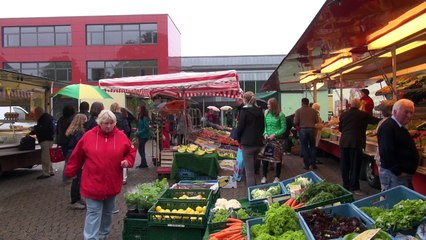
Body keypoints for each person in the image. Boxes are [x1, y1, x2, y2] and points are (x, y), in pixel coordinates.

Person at [64, 110, 136, 240]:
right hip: (93, 182)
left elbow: (130, 152)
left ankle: (103, 234)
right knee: (93, 212)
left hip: (112, 182)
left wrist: (128, 161)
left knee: (108, 212)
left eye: (111, 123)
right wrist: (70, 172)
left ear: (115, 123)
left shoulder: (121, 137)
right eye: (105, 123)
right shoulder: (88, 136)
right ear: (99, 123)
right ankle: (91, 237)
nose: (108, 126)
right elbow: (77, 156)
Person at [339, 98, 380, 195]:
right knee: (355, 166)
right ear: (359, 105)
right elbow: (375, 121)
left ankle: (346, 185)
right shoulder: (363, 114)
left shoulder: (344, 114)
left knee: (345, 165)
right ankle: (354, 187)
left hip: (344, 142)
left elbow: (340, 128)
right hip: (356, 143)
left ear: (350, 105)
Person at [377, 99, 418, 191]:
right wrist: (398, 172)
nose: (409, 115)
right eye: (406, 112)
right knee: (395, 202)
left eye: (411, 112)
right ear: (394, 112)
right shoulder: (388, 127)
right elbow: (386, 152)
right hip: (395, 176)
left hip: (401, 175)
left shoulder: (400, 126)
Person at [235, 91, 265, 187]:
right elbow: (263, 127)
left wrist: (238, 138)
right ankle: (254, 188)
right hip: (258, 144)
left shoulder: (244, 112)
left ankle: (252, 193)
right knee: (252, 168)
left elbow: (240, 128)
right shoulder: (260, 111)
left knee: (249, 171)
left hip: (247, 144)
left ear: (245, 100)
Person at [65, 113, 87, 210]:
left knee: (76, 178)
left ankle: (77, 197)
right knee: (77, 178)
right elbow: (80, 144)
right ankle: (75, 200)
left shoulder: (71, 131)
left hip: (70, 152)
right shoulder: (79, 132)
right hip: (75, 154)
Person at [261, 97, 286, 184]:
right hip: (267, 140)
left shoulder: (281, 115)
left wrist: (275, 134)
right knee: (265, 158)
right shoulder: (266, 113)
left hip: (277, 140)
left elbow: (283, 128)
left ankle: (277, 177)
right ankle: (264, 176)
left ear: (273, 105)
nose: (267, 106)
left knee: (278, 159)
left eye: (269, 104)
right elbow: (264, 126)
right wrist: (265, 133)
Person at [373, 100, 395, 191]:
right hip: (386, 161)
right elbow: (387, 146)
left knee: (386, 186)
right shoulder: (388, 123)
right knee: (387, 187)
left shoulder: (382, 122)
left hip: (383, 159)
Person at [29, 107, 55, 179]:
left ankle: (46, 173)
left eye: (35, 114)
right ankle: (50, 171)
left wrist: (32, 131)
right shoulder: (48, 117)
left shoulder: (43, 119)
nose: (35, 115)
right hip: (50, 139)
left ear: (38, 113)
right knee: (48, 157)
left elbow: (41, 128)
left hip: (45, 140)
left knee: (45, 157)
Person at [294, 98, 320, 170]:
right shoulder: (314, 111)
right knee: (312, 147)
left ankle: (307, 165)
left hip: (303, 130)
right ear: (308, 103)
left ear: (302, 103)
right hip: (312, 130)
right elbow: (317, 121)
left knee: (304, 147)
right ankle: (313, 164)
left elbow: (296, 122)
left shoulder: (298, 111)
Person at [110, 102, 131, 184]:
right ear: (118, 108)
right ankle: (123, 178)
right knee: (123, 158)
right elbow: (127, 129)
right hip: (121, 139)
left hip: (111, 139)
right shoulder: (122, 117)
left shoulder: (110, 117)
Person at [56, 105, 76, 182]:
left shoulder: (60, 119)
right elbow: (71, 132)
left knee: (67, 159)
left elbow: (57, 131)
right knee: (69, 160)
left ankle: (67, 176)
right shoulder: (71, 120)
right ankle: (67, 177)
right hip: (69, 142)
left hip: (62, 141)